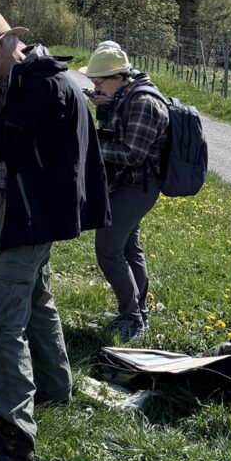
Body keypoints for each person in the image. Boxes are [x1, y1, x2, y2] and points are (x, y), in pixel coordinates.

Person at [0, 11, 110, 461]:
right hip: (31, 212)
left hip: (30, 215)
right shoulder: (28, 81)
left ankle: (13, 442)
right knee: (38, 300)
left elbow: (0, 142)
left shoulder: (39, 86)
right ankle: (54, 387)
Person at [80, 41, 169, 342]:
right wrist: (104, 107)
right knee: (129, 248)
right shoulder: (123, 96)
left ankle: (133, 319)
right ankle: (135, 310)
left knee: (108, 249)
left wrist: (90, 147)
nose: (95, 85)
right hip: (129, 184)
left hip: (138, 187)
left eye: (100, 80)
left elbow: (132, 153)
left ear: (120, 76)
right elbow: (117, 132)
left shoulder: (143, 103)